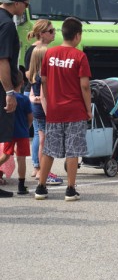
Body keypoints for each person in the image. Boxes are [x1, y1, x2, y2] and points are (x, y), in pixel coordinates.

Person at [34, 17, 92, 201]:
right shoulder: (80, 56)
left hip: (54, 110)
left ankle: (41, 188)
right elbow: (84, 86)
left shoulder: (49, 54)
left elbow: (43, 80)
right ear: (77, 36)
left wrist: (50, 100)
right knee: (73, 151)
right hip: (74, 110)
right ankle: (70, 189)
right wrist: (88, 108)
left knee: (49, 150)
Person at [0, 0, 31, 198]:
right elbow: (2, 60)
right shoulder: (7, 25)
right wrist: (10, 92)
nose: (26, 9)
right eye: (26, 5)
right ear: (17, 3)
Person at [23, 19, 57, 179]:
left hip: (32, 94)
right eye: (51, 31)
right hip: (37, 96)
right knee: (40, 134)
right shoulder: (39, 50)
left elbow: (28, 74)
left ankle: (37, 167)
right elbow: (30, 73)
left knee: (38, 133)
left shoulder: (36, 49)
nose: (54, 33)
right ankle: (38, 167)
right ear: (42, 33)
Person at [28, 45, 63, 185]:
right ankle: (44, 171)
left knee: (41, 138)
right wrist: (50, 114)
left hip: (36, 111)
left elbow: (31, 95)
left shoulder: (33, 74)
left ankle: (40, 170)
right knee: (45, 141)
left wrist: (33, 99)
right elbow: (43, 96)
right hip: (43, 112)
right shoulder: (44, 74)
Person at [0, 71, 33, 195]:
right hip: (22, 133)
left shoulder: (5, 98)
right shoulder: (24, 99)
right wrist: (26, 127)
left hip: (9, 132)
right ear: (22, 83)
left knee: (5, 156)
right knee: (21, 158)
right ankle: (21, 185)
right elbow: (30, 118)